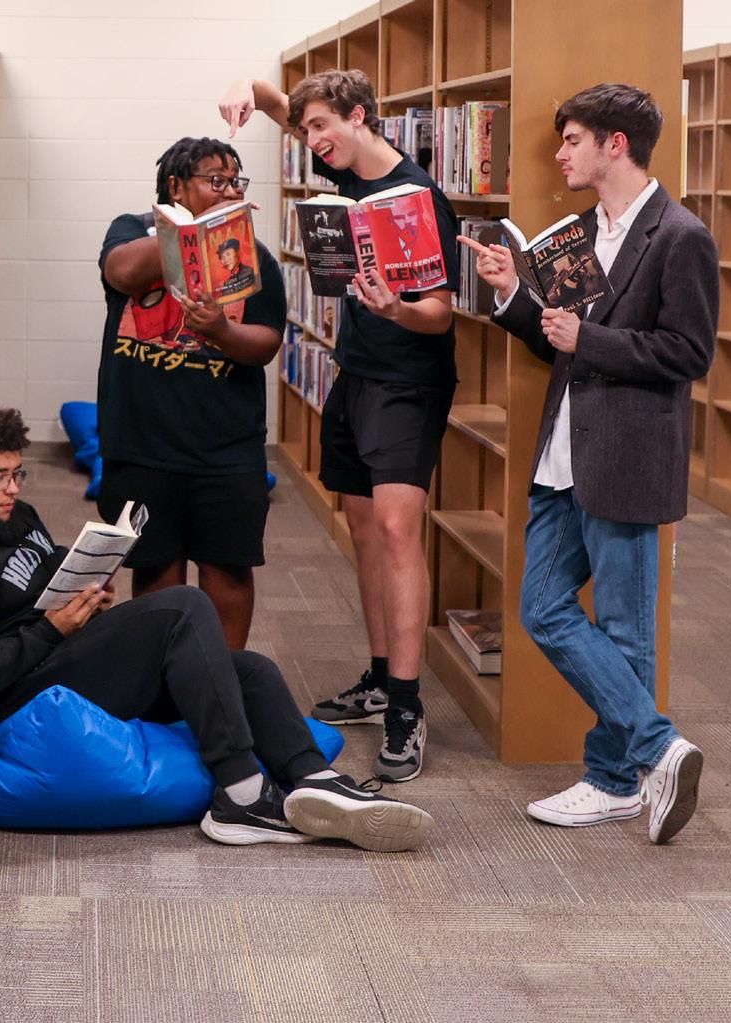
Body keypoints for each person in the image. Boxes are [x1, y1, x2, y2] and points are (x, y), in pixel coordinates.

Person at [0, 399, 433, 851]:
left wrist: (86, 585)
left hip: (62, 652)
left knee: (249, 670)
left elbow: (46, 569)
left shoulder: (14, 514)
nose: (13, 489)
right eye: (0, 478)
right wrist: (51, 629)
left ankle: (315, 778)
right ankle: (240, 794)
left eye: (18, 474)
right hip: (23, 697)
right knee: (182, 607)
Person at [457, 84, 712, 844]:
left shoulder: (679, 236)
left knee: (626, 629)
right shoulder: (576, 233)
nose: (559, 154)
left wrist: (588, 339)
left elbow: (689, 353)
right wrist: (513, 294)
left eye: (571, 140)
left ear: (615, 145)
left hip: (628, 457)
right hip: (563, 455)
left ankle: (613, 781)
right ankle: (658, 746)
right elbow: (558, 341)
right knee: (542, 609)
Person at [218, 69, 461, 782]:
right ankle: (382, 677)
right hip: (353, 374)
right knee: (362, 531)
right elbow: (284, 105)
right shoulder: (345, 173)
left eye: (322, 127)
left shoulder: (416, 196)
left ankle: (407, 707)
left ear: (360, 116)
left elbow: (441, 313)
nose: (311, 140)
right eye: (306, 130)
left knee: (396, 531)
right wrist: (250, 90)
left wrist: (395, 309)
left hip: (409, 382)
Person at [97, 138, 286, 649]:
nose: (229, 191)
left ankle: (224, 677)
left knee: (229, 569)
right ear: (176, 186)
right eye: (215, 181)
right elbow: (122, 273)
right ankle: (161, 678)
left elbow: (266, 343)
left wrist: (222, 331)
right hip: (142, 445)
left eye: (235, 182)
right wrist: (196, 231)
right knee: (155, 567)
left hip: (226, 449)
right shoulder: (132, 228)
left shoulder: (252, 256)